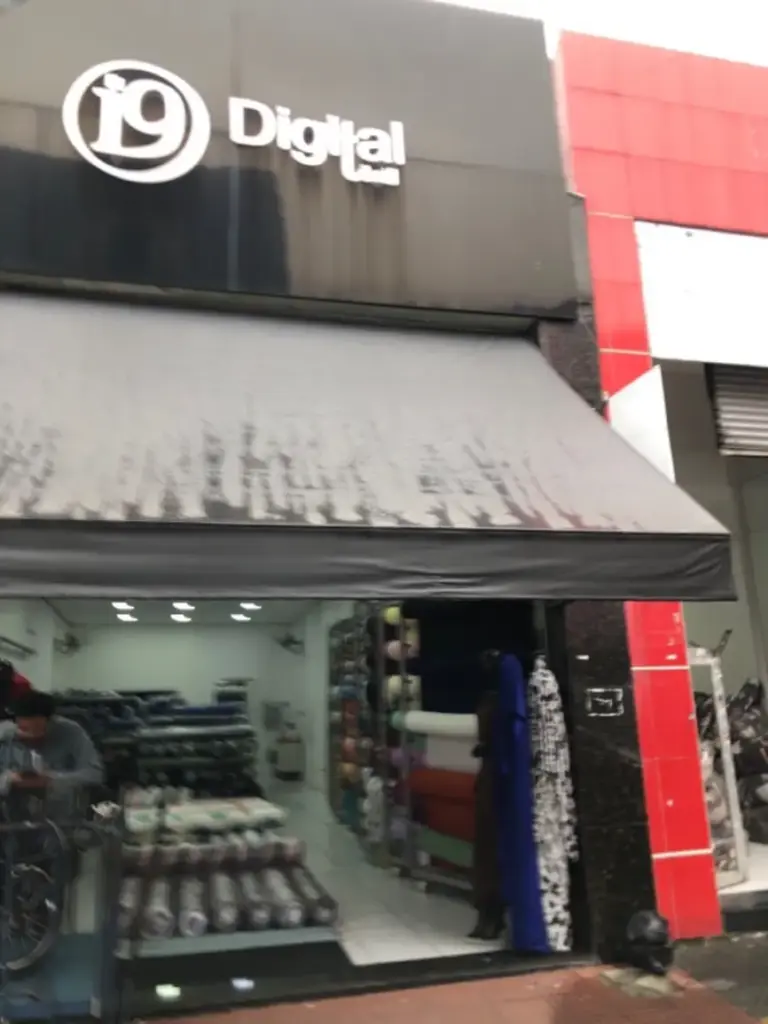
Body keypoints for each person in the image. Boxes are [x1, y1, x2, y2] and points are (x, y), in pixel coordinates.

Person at [0, 690, 103, 821]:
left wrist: (52, 779)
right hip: (12, 816)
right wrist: (8, 779)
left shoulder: (71, 732)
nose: (32, 736)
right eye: (24, 729)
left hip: (59, 815)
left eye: (38, 728)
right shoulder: (5, 735)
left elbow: (95, 774)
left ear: (51, 721)